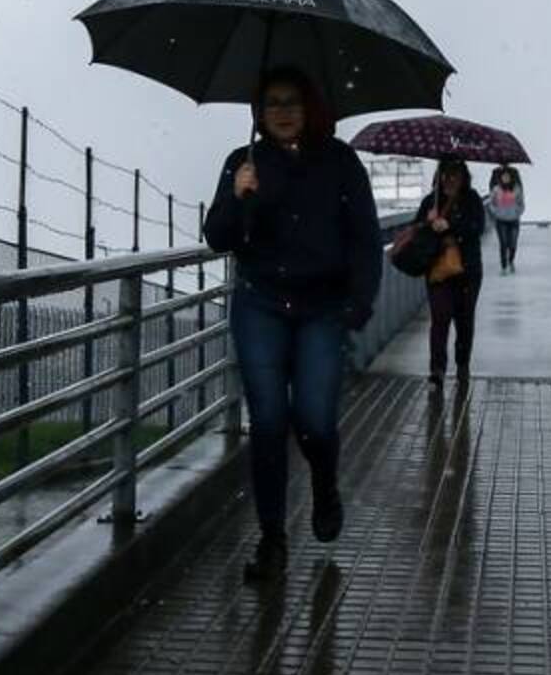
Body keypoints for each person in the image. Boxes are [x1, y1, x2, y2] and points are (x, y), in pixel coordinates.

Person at [203, 66, 382, 582]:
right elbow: (218, 237)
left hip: (322, 310)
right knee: (268, 421)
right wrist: (238, 196)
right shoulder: (244, 162)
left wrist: (359, 303)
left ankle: (325, 482)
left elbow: (366, 238)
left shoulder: (341, 162)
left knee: (315, 420)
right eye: (272, 103)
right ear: (258, 113)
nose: (282, 112)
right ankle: (272, 539)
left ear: (309, 108)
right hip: (260, 305)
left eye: (292, 102)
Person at [416, 156, 485, 387]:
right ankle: (437, 369)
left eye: (455, 174)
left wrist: (451, 226)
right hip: (437, 271)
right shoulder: (430, 202)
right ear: (439, 176)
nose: (450, 179)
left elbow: (478, 227)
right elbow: (417, 233)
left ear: (464, 177)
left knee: (464, 321)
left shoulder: (472, 200)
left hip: (467, 271)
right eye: (446, 174)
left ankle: (462, 364)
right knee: (440, 317)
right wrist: (427, 223)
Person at [487, 164, 525, 274]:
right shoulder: (496, 189)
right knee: (503, 244)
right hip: (501, 220)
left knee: (513, 243)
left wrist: (518, 212)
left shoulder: (517, 189)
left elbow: (521, 203)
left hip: (514, 220)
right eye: (504, 176)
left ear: (511, 177)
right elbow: (491, 203)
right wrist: (496, 213)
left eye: (508, 176)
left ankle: (511, 261)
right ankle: (504, 267)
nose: (505, 178)